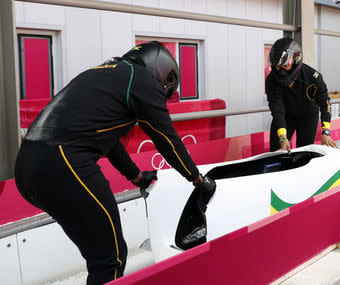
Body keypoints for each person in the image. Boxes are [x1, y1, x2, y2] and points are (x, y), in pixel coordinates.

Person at [14, 41, 216, 285]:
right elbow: (166, 138)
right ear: (161, 74)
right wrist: (197, 178)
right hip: (64, 164)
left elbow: (108, 141)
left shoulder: (105, 72)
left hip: (28, 166)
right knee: (110, 258)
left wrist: (137, 177)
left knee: (101, 254)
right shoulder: (141, 80)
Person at [266, 37, 338, 153]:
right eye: (277, 65)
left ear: (296, 60)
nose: (279, 69)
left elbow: (325, 103)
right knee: (277, 151)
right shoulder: (271, 80)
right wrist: (283, 137)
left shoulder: (313, 77)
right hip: (285, 116)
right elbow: (277, 109)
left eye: (284, 64)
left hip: (308, 116)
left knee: (304, 152)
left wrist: (326, 132)